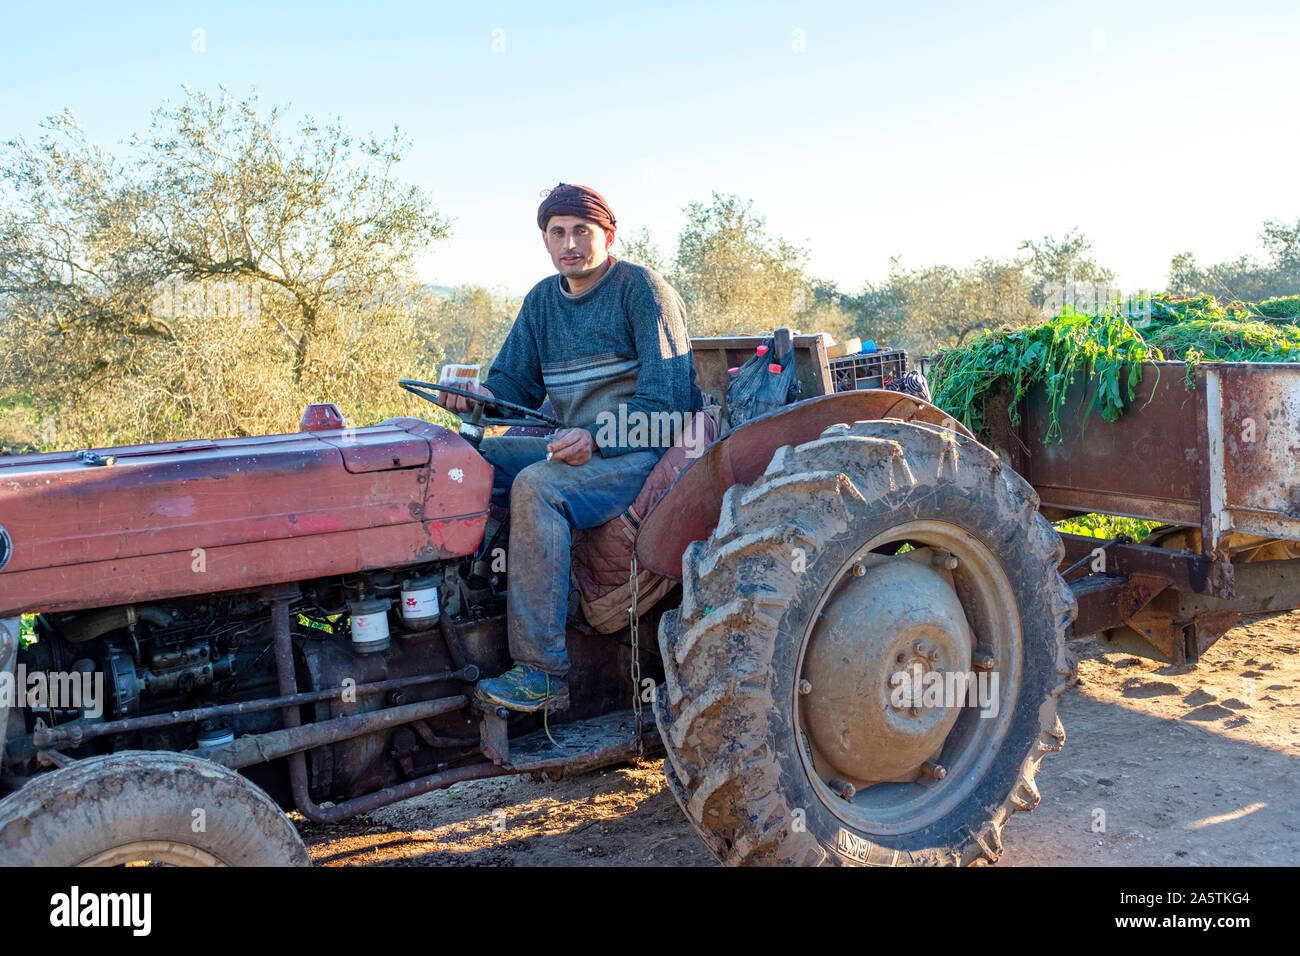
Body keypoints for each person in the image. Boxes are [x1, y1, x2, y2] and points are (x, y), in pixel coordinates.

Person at [437, 183, 703, 712]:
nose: (570, 243)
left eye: (582, 230)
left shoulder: (642, 291)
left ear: (608, 234)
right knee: (458, 463)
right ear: (545, 240)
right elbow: (512, 390)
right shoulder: (542, 301)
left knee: (538, 487)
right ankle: (454, 615)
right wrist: (475, 401)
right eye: (557, 232)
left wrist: (597, 437)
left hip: (637, 453)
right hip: (574, 449)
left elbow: (670, 407)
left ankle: (543, 673)